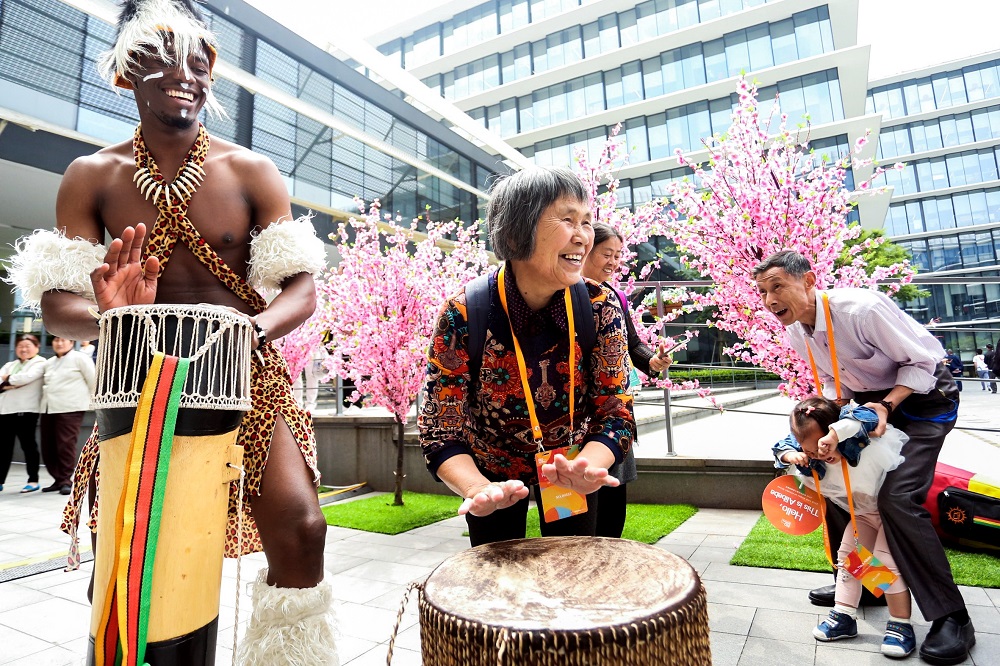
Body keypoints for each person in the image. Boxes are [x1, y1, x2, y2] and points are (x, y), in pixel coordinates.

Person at [4, 0, 335, 661]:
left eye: (198, 59)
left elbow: (302, 290)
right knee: (132, 550)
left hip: (248, 377)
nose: (185, 73)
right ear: (126, 73)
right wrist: (114, 312)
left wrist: (252, 331)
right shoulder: (91, 175)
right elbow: (59, 307)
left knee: (302, 529)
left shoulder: (251, 170)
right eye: (160, 58)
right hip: (138, 389)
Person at [753, 250, 974, 665]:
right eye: (763, 292)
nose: (769, 300)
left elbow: (924, 361)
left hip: (924, 400)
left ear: (809, 280)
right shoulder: (797, 332)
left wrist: (887, 406)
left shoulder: (862, 309)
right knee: (841, 487)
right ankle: (864, 585)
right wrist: (828, 428)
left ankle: (952, 617)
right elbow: (839, 380)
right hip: (869, 408)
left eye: (777, 286)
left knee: (895, 498)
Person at [418, 166, 636, 547]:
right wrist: (476, 488)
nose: (583, 236)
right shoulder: (465, 313)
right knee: (500, 579)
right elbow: (441, 427)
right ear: (518, 228)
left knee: (571, 566)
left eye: (587, 222)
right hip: (491, 472)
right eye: (568, 219)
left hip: (570, 466)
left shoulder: (600, 306)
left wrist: (589, 466)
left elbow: (616, 410)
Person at [774, 397, 914, 657]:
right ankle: (845, 615)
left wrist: (836, 434)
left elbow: (868, 417)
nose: (820, 454)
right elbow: (781, 447)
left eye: (823, 445)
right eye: (812, 451)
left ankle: (900, 624)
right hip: (862, 513)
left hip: (890, 513)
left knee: (884, 563)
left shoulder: (858, 436)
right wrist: (790, 454)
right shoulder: (809, 452)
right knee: (850, 560)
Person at [582, 222, 671, 538]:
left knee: (612, 505)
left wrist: (653, 360)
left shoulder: (615, 296)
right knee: (572, 514)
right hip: (574, 417)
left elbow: (632, 344)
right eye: (607, 253)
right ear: (584, 249)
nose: (613, 262)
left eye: (618, 255)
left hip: (614, 410)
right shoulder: (560, 293)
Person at [40, 337, 96, 495]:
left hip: (71, 408)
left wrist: (95, 405)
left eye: (63, 340)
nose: (59, 343)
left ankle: (66, 479)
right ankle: (57, 479)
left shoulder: (80, 358)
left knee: (66, 444)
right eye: (56, 340)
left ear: (71, 343)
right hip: (48, 408)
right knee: (48, 445)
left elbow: (93, 381)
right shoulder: (49, 362)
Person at [0, 334, 46, 493]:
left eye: (28, 345)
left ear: (37, 347)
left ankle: (33, 480)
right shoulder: (10, 364)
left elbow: (27, 378)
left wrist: (7, 382)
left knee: (28, 446)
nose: (24, 349)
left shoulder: (40, 363)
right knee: (4, 447)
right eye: (20, 346)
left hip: (26, 411)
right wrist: (10, 382)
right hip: (6, 411)